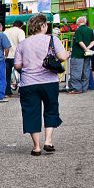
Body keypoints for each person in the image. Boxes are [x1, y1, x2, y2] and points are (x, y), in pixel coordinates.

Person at [14, 13, 69, 156]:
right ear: (43, 26)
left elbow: (17, 65)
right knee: (51, 109)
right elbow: (62, 57)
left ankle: (36, 146)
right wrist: (67, 54)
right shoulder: (52, 39)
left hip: (28, 83)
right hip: (49, 82)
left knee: (31, 112)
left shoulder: (22, 44)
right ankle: (48, 141)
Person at [68, 16, 94, 94]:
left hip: (77, 54)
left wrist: (85, 48)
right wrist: (88, 48)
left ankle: (77, 88)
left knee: (76, 72)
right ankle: (84, 88)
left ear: (78, 22)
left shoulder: (78, 30)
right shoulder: (90, 30)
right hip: (87, 55)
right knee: (86, 71)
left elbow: (79, 41)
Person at [4, 20, 25, 97]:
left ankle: (7, 92)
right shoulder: (20, 31)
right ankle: (21, 91)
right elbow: (22, 43)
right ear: (21, 26)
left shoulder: (6, 32)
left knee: (7, 75)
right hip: (17, 57)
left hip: (7, 56)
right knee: (23, 73)